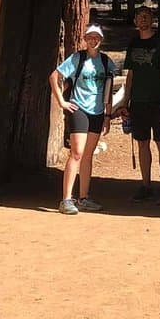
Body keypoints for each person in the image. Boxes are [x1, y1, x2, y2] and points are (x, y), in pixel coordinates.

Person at [50, 24, 114, 215]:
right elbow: (54, 76)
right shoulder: (77, 58)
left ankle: (84, 198)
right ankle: (66, 199)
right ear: (85, 39)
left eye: (97, 37)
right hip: (79, 108)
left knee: (88, 155)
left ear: (101, 40)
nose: (93, 40)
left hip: (97, 112)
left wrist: (108, 115)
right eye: (90, 37)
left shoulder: (106, 62)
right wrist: (62, 101)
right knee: (76, 153)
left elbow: (109, 90)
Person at [121, 6, 160, 205]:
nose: (143, 20)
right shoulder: (133, 44)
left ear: (152, 20)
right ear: (135, 21)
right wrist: (125, 101)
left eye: (147, 17)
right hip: (138, 103)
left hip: (159, 102)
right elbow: (131, 75)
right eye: (139, 17)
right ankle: (146, 185)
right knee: (142, 143)